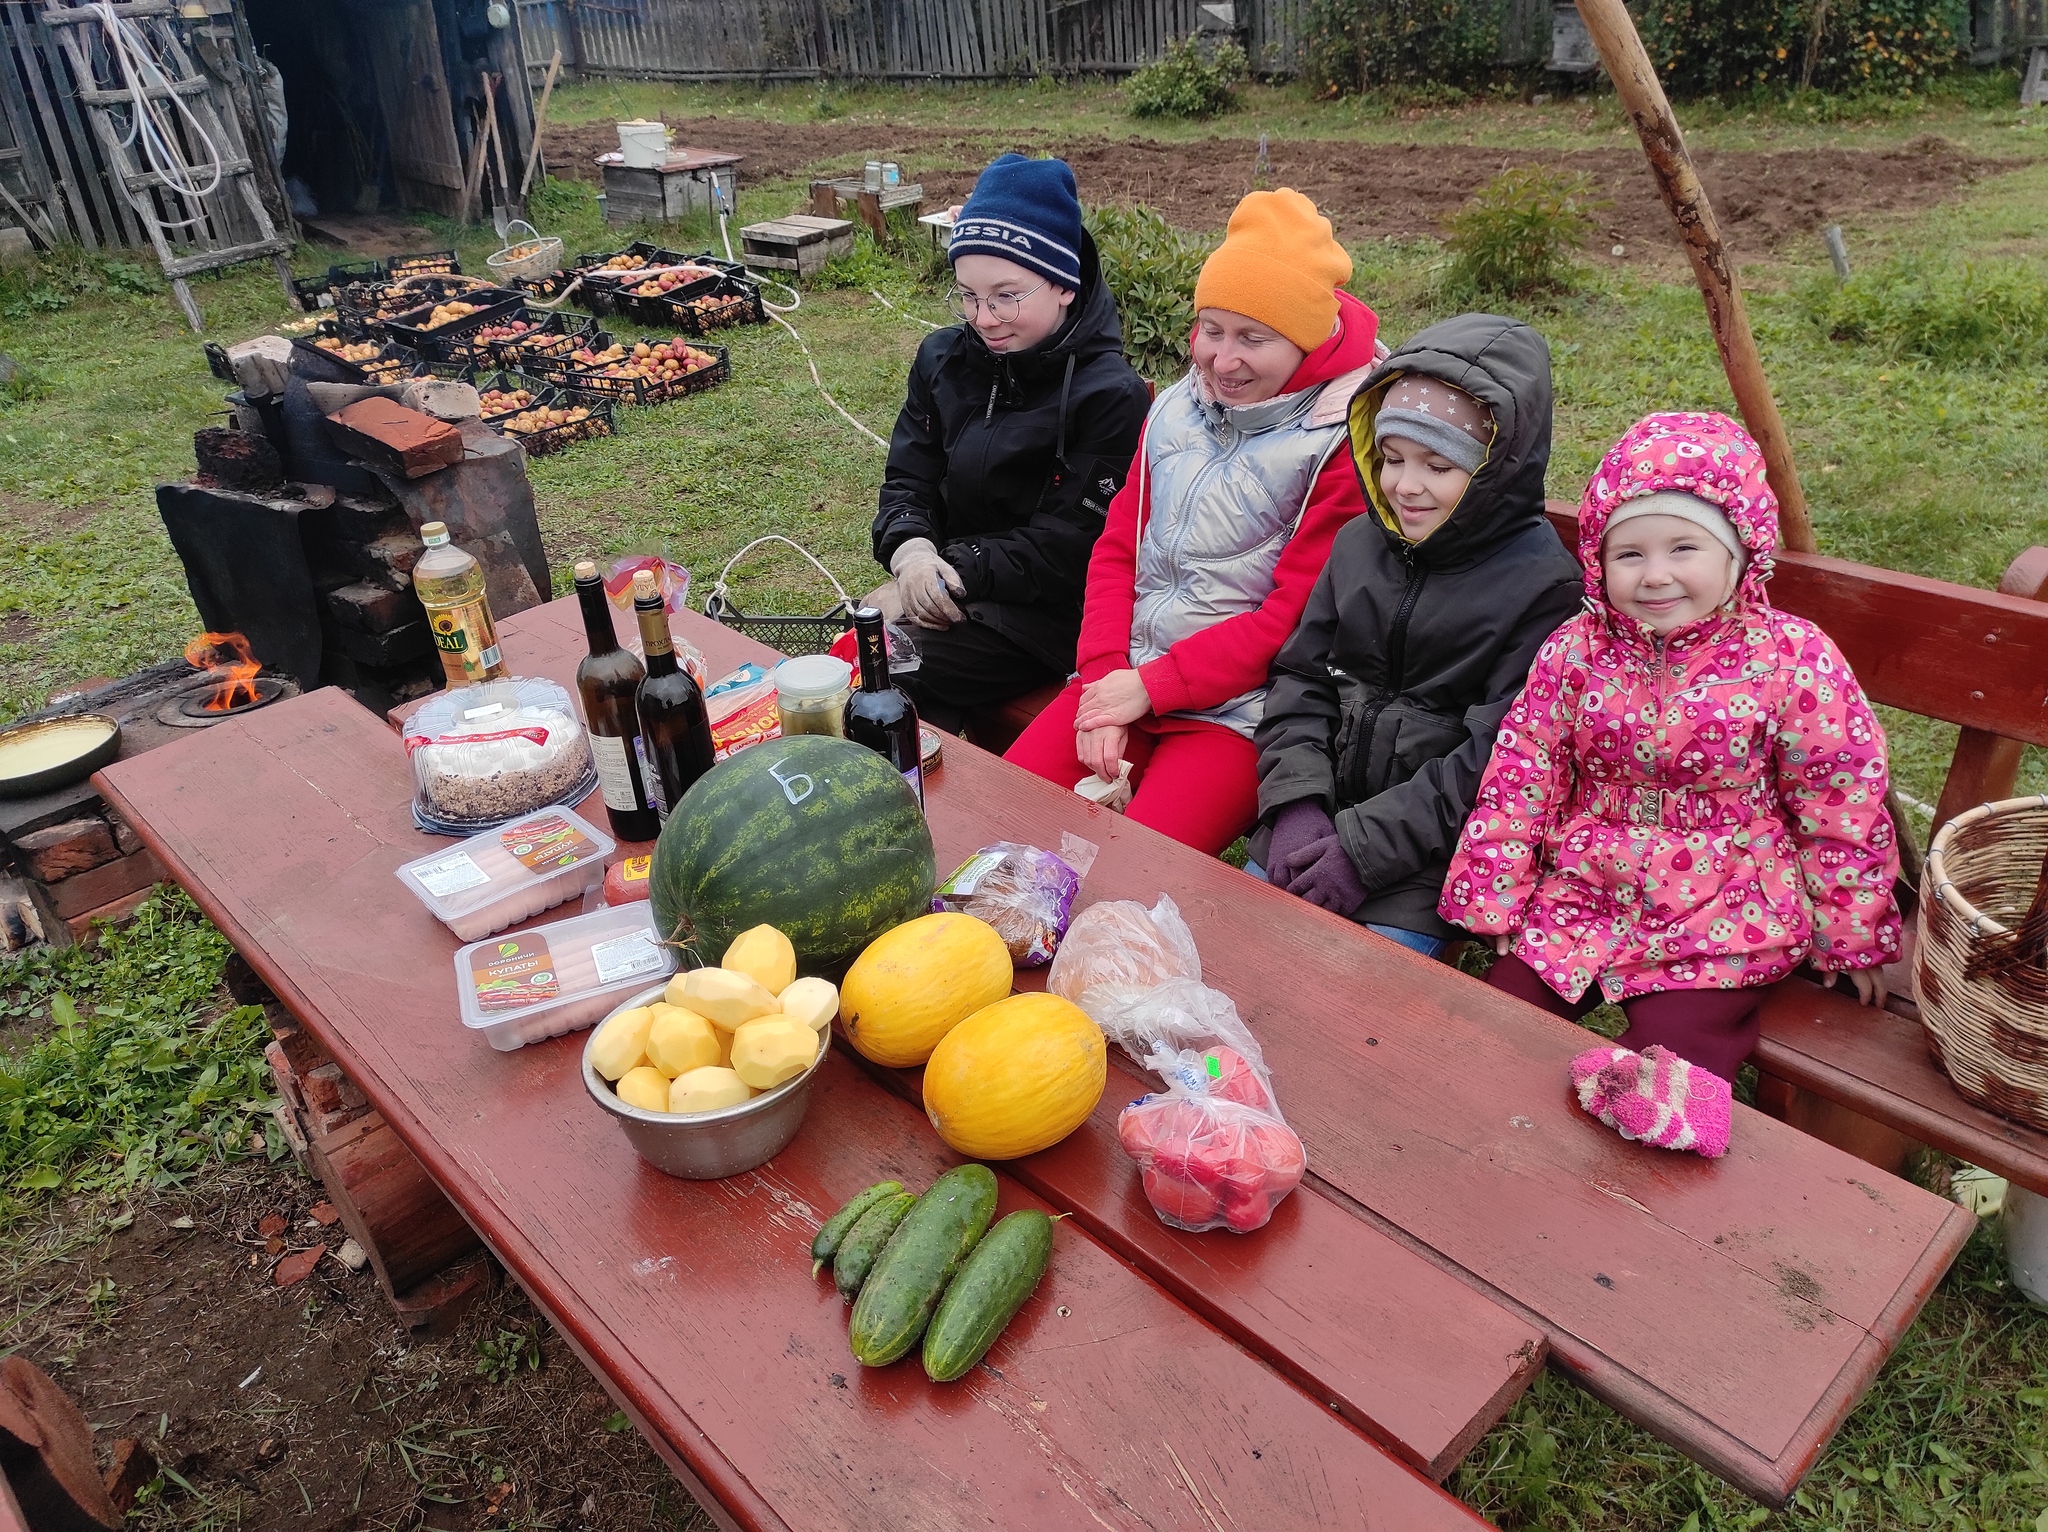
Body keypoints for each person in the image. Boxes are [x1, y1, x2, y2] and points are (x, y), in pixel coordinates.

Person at [1439, 411, 1902, 1082]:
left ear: (1739, 552)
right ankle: (1484, 1139)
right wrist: (1496, 890)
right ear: (1598, 562)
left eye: (1684, 549)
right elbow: (1523, 772)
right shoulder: (1576, 650)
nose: (1655, 575)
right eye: (1630, 554)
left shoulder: (1790, 658)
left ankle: (1642, 1147)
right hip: (1589, 888)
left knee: (1675, 1051)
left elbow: (1839, 800)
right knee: (1492, 1027)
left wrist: (1849, 934)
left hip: (1726, 904)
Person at [1004, 188, 1379, 855]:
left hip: (1236, 713)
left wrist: (1149, 688)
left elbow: (1294, 619)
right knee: (1000, 825)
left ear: (1307, 342)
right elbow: (1119, 547)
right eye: (1212, 329)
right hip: (1124, 674)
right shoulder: (1177, 409)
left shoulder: (1340, 442)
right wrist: (1101, 682)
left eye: (1253, 339)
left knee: (1133, 874)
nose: (1222, 360)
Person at [1250, 314, 1584, 959]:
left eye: (1438, 465)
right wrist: (1295, 808)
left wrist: (1360, 853)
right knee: (1243, 962)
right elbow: (1299, 679)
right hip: (1313, 816)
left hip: (1429, 856)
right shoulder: (1357, 544)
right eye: (1392, 458)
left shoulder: (1544, 589)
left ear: (1496, 469)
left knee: (1361, 1005)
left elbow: (1495, 757)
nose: (1405, 485)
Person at [870, 154, 1152, 732]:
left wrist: (951, 570)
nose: (985, 318)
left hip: (1047, 616)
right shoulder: (942, 360)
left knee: (887, 672)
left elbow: (1071, 547)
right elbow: (909, 477)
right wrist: (911, 553)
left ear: (1065, 284)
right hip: (951, 588)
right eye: (969, 297)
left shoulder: (1110, 396)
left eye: (1006, 296)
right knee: (875, 666)